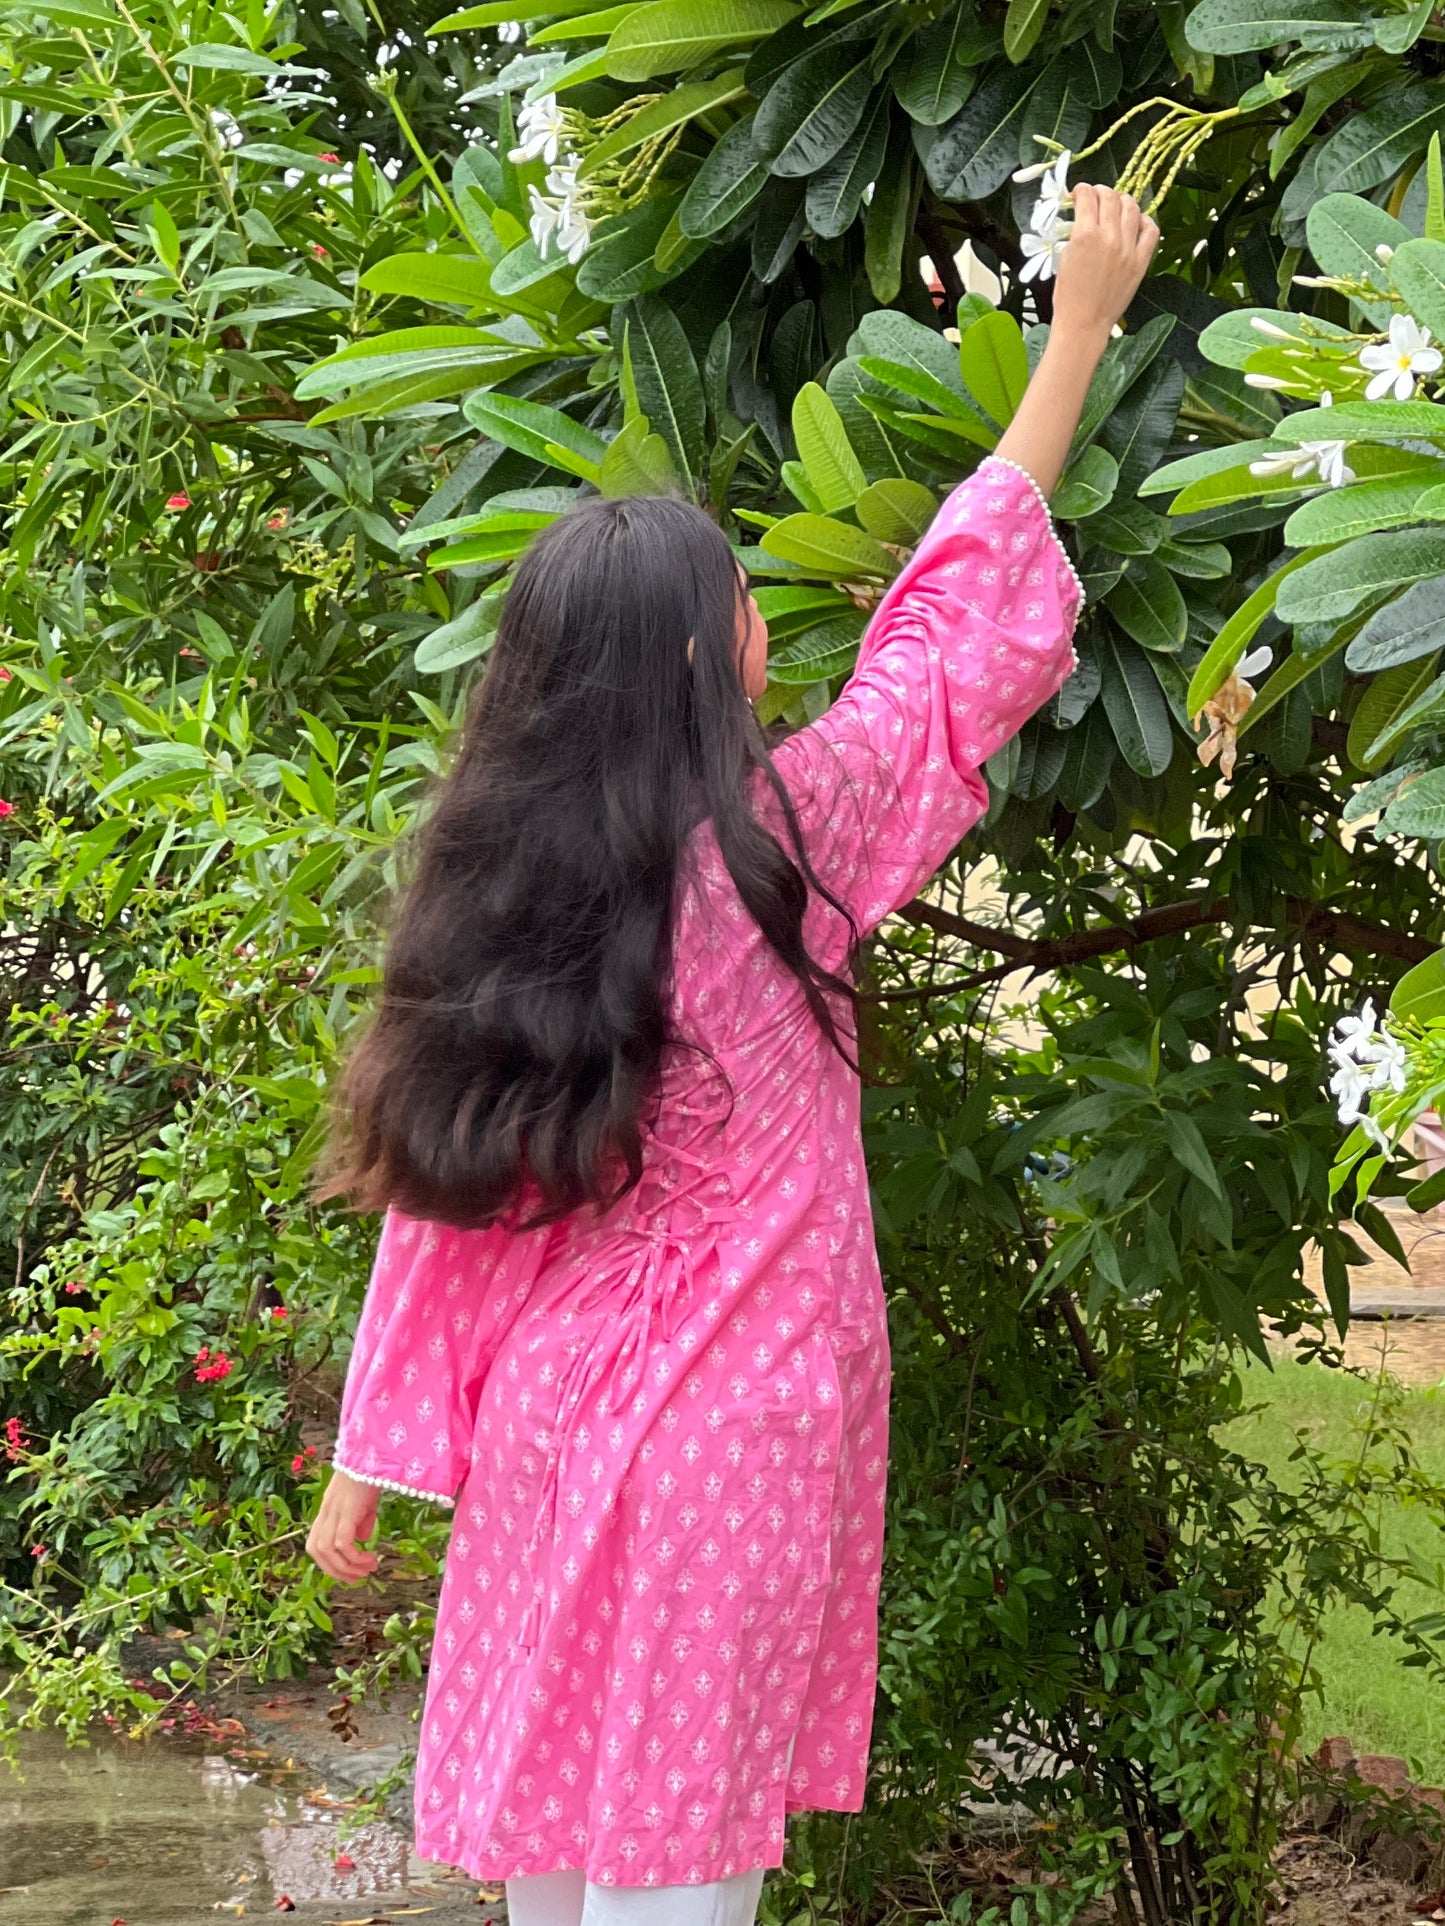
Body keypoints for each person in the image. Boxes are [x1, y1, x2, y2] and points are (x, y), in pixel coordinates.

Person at [307, 185, 1159, 1926]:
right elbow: (945, 647)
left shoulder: (508, 894)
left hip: (553, 1437)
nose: (772, 627)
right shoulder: (794, 837)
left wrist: (365, 1456)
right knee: (686, 1888)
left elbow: (446, 1193)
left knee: (557, 1869)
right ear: (708, 659)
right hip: (737, 1446)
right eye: (748, 608)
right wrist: (1070, 333)